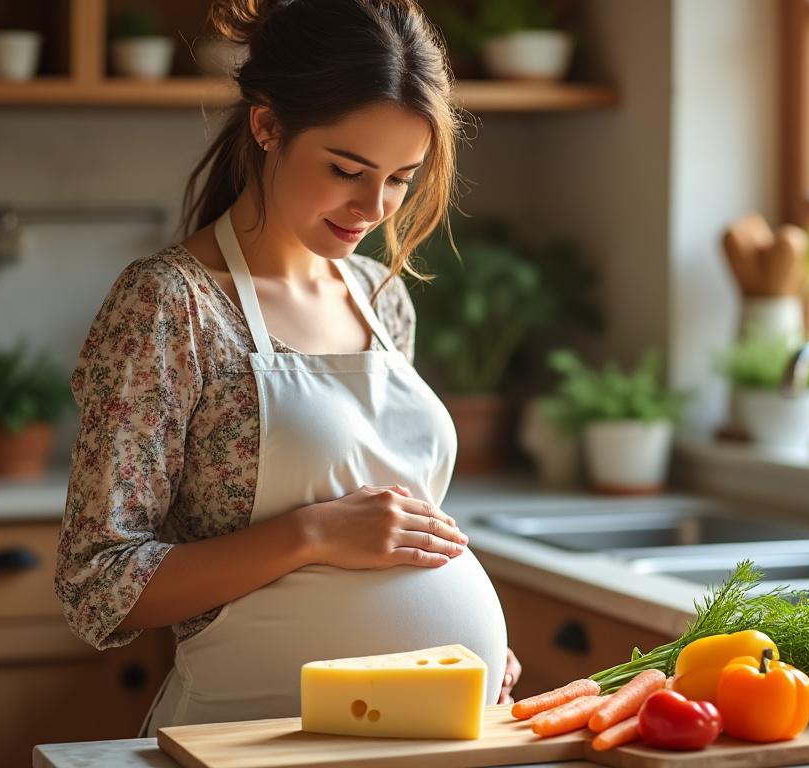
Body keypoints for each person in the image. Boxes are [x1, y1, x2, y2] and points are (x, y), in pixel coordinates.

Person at [53, 0, 521, 736]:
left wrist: (473, 651)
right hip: (246, 740)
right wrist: (311, 535)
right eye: (347, 169)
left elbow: (398, 526)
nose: (374, 207)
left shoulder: (381, 297)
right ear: (267, 126)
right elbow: (98, 583)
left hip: (424, 736)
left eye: (401, 177)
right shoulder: (172, 306)